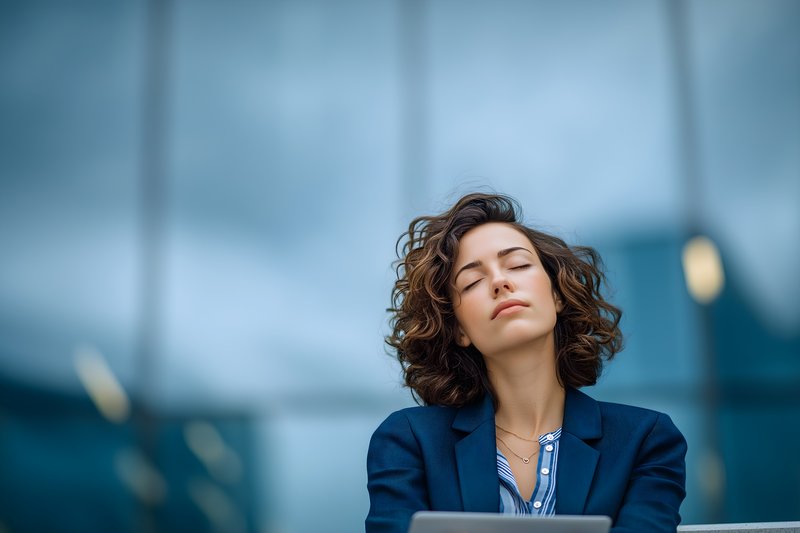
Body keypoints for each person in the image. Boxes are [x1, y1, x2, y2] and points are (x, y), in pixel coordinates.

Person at [366, 193, 687, 533]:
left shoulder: (646, 440)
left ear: (558, 295)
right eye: (472, 281)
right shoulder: (409, 441)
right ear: (459, 329)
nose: (500, 282)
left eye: (518, 265)